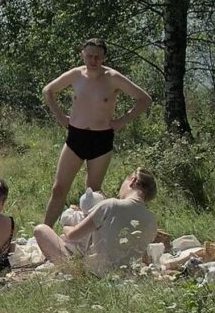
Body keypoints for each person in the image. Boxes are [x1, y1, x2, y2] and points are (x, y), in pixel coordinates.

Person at [42, 38, 152, 227]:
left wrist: (122, 121)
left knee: (92, 194)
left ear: (103, 58)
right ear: (83, 55)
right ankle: (44, 232)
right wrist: (61, 117)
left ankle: (87, 240)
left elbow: (144, 99)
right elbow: (48, 90)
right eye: (89, 56)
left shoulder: (112, 77)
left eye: (97, 57)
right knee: (58, 188)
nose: (93, 60)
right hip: (75, 136)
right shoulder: (75, 75)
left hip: (101, 139)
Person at [33, 168, 158, 276]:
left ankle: (74, 272)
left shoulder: (110, 205)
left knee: (41, 229)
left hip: (94, 273)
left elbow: (73, 235)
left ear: (132, 181)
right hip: (124, 275)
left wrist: (66, 227)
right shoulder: (152, 220)